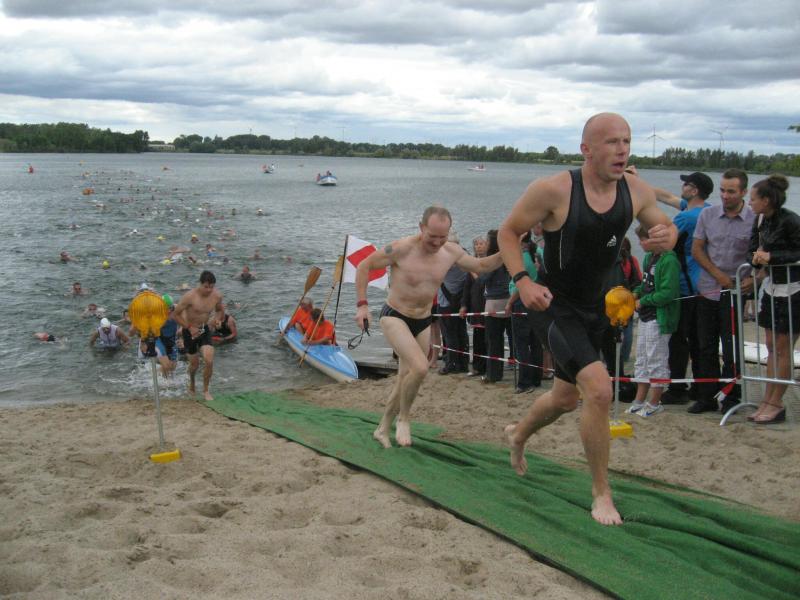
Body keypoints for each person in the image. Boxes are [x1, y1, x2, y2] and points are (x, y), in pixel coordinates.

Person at [498, 113, 677, 526]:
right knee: (598, 391)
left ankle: (517, 434)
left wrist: (669, 236)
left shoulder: (636, 189)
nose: (622, 150)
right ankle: (601, 493)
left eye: (626, 141)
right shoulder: (553, 189)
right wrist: (523, 280)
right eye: (612, 142)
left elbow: (665, 230)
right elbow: (509, 232)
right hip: (553, 304)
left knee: (565, 398)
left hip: (599, 306)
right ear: (586, 149)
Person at [354, 206, 503, 449]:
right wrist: (362, 306)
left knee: (405, 378)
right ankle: (404, 418)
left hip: (422, 320)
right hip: (395, 316)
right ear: (421, 227)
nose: (436, 242)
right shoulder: (401, 248)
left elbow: (481, 266)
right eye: (432, 236)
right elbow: (364, 266)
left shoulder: (451, 251)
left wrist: (508, 249)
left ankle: (382, 428)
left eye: (442, 237)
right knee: (421, 368)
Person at [690, 169, 755, 414]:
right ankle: (706, 396)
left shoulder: (754, 219)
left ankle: (731, 396)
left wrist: (754, 279)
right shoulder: (707, 214)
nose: (725, 196)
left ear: (743, 192)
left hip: (736, 293)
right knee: (705, 345)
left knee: (732, 347)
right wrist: (717, 275)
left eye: (731, 191)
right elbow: (697, 249)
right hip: (708, 289)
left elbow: (760, 256)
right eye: (722, 190)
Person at [654, 172, 713, 404]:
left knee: (678, 339)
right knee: (698, 338)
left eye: (686, 184)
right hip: (701, 284)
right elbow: (666, 197)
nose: (683, 187)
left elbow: (665, 241)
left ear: (694, 190)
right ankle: (700, 387)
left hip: (684, 285)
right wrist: (635, 184)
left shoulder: (686, 218)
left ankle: (677, 388)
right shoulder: (706, 210)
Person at [747, 175, 800, 424]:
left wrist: (772, 257)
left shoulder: (791, 220)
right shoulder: (760, 220)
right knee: (770, 346)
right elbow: (752, 248)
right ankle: (767, 399)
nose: (750, 203)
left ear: (766, 200)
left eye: (753, 199)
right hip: (772, 287)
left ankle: (776, 402)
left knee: (783, 347)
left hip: (794, 289)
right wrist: (756, 259)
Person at [626, 225, 680, 417]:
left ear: (654, 239)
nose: (640, 244)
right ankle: (639, 399)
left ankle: (655, 401)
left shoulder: (669, 260)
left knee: (656, 358)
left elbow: (668, 293)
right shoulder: (649, 258)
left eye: (643, 240)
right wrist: (635, 294)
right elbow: (645, 284)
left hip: (660, 317)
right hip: (645, 316)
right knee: (642, 358)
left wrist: (643, 300)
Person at [172, 270, 224, 401]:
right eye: (206, 287)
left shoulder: (217, 296)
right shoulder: (189, 296)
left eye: (211, 287)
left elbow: (219, 310)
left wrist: (217, 320)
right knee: (194, 365)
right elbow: (175, 315)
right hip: (189, 332)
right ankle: (192, 383)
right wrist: (189, 328)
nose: (209, 290)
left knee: (209, 360)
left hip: (204, 330)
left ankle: (206, 390)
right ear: (200, 284)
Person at [506, 231, 544, 393]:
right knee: (535, 343)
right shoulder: (537, 253)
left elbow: (521, 285)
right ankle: (536, 378)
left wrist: (509, 302)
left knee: (522, 344)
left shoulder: (522, 258)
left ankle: (525, 381)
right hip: (536, 301)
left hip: (522, 301)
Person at [479, 229, 512, 383]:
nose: (485, 243)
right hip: (508, 300)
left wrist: (476, 270)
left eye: (486, 241)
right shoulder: (507, 256)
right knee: (506, 337)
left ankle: (493, 374)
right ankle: (503, 368)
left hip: (494, 302)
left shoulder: (493, 261)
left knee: (493, 340)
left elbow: (482, 279)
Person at [437, 234, 469, 375]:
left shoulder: (446, 259)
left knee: (449, 334)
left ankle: (452, 363)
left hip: (446, 301)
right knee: (461, 332)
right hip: (461, 300)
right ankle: (463, 363)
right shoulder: (465, 257)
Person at [460, 236, 489, 376]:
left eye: (481, 243)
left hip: (488, 304)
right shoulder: (471, 264)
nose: (479, 246)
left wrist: (473, 272)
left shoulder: (490, 263)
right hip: (475, 305)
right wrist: (463, 305)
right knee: (477, 338)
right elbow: (467, 287)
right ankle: (477, 366)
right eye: (476, 244)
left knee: (489, 338)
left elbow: (485, 282)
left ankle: (489, 366)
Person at [155, 294, 179, 378]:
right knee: (166, 365)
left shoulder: (177, 309)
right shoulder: (156, 314)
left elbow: (186, 319)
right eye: (165, 309)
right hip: (159, 339)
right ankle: (163, 383)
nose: (168, 311)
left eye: (170, 308)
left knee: (172, 367)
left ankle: (158, 373)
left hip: (172, 339)